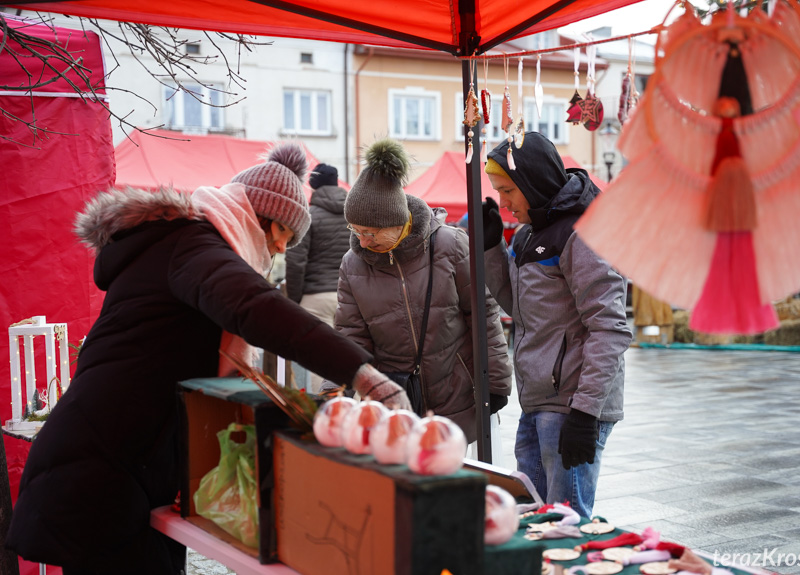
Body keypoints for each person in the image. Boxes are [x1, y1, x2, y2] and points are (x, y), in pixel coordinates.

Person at [6, 142, 409, 575]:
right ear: (263, 218)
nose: (276, 254)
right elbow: (258, 308)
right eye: (283, 240)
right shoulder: (193, 248)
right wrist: (361, 372)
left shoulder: (181, 247)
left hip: (122, 470)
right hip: (101, 477)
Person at [482, 131, 631, 517]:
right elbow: (520, 306)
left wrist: (585, 413)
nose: (504, 202)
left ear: (532, 183)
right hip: (537, 401)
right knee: (535, 517)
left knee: (566, 523)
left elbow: (609, 327)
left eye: (508, 191)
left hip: (571, 406)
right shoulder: (531, 234)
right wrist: (491, 250)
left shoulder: (583, 232)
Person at [335, 137, 512, 443]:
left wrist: (495, 384)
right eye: (355, 231)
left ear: (397, 222)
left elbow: (483, 317)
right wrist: (334, 393)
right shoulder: (353, 265)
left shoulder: (451, 245)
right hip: (393, 406)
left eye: (370, 232)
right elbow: (350, 336)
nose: (362, 241)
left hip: (457, 398)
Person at [283, 163, 352, 392]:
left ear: (312, 185)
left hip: (315, 297)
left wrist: (294, 300)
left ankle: (318, 418)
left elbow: (295, 262)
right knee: (349, 359)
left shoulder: (308, 216)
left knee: (317, 364)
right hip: (350, 298)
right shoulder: (353, 216)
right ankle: (352, 417)